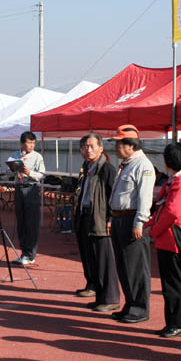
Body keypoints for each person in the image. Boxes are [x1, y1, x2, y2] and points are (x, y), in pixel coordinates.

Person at [146, 142, 181, 338]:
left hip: (172, 238)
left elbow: (172, 212)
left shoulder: (180, 182)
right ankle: (174, 322)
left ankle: (179, 323)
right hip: (167, 237)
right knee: (170, 283)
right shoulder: (176, 180)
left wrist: (154, 230)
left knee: (173, 283)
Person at [108, 124, 156, 324]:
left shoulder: (143, 165)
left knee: (135, 267)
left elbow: (145, 198)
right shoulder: (126, 164)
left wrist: (140, 223)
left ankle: (139, 308)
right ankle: (130, 304)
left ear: (130, 145)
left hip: (132, 219)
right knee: (123, 265)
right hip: (120, 218)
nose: (116, 147)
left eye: (118, 143)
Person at [73, 133, 120, 312]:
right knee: (91, 258)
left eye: (92, 146)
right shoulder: (86, 168)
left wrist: (110, 218)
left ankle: (111, 297)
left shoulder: (107, 169)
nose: (88, 149)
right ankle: (98, 294)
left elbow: (112, 196)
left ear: (101, 148)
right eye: (85, 146)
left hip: (100, 220)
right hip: (85, 215)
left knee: (104, 260)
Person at [12, 131, 46, 265]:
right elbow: (7, 169)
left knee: (31, 222)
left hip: (31, 188)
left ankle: (30, 254)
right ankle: (23, 252)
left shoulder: (37, 157)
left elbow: (42, 174)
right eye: (29, 143)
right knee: (21, 221)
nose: (31, 146)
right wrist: (13, 169)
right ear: (22, 143)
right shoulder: (15, 155)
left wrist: (29, 173)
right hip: (19, 188)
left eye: (33, 143)